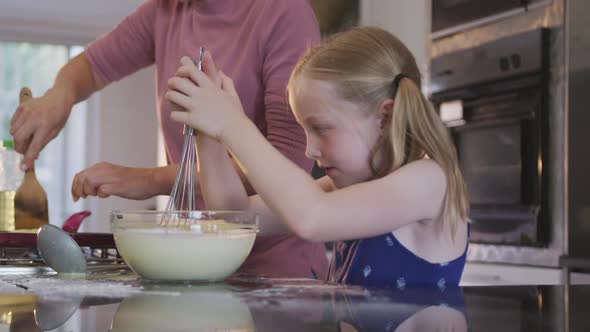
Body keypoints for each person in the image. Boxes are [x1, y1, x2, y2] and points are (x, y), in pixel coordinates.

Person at [9, 0, 329, 279]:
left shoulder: (284, 13)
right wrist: (59, 97)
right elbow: (92, 67)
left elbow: (286, 168)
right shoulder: (167, 9)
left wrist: (151, 180)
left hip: (275, 268)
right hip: (190, 259)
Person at [165, 26, 470, 288]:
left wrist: (232, 124)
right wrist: (209, 132)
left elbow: (311, 218)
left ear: (385, 117)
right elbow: (233, 213)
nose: (310, 150)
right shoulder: (346, 189)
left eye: (321, 128)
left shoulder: (430, 182)